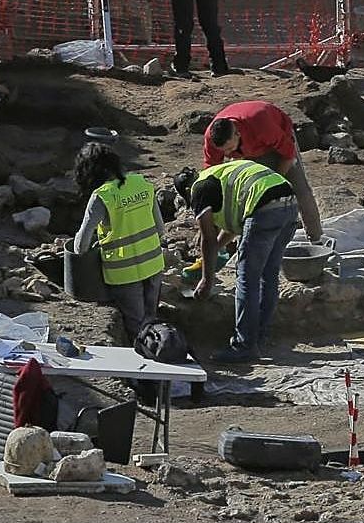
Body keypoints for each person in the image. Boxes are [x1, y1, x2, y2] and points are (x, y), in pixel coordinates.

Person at [188, 159, 297, 363]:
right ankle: (260, 335)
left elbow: (207, 238)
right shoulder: (219, 178)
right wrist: (213, 254)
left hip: (264, 207)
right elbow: (230, 228)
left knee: (247, 278)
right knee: (269, 274)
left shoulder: (198, 189)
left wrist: (207, 280)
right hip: (289, 201)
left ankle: (244, 345)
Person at [72, 143, 166, 345]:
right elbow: (160, 229)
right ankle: (163, 356)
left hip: (125, 274)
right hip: (153, 266)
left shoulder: (102, 196)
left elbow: (80, 247)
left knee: (137, 328)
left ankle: (144, 372)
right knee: (151, 321)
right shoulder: (141, 183)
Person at [203, 101, 323, 243]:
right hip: (247, 150)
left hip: (277, 144)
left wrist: (275, 184)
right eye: (224, 151)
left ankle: (316, 240)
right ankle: (217, 248)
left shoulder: (261, 124)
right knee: (240, 200)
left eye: (229, 149)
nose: (228, 154)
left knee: (299, 189)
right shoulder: (212, 138)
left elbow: (288, 153)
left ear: (237, 133)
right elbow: (212, 172)